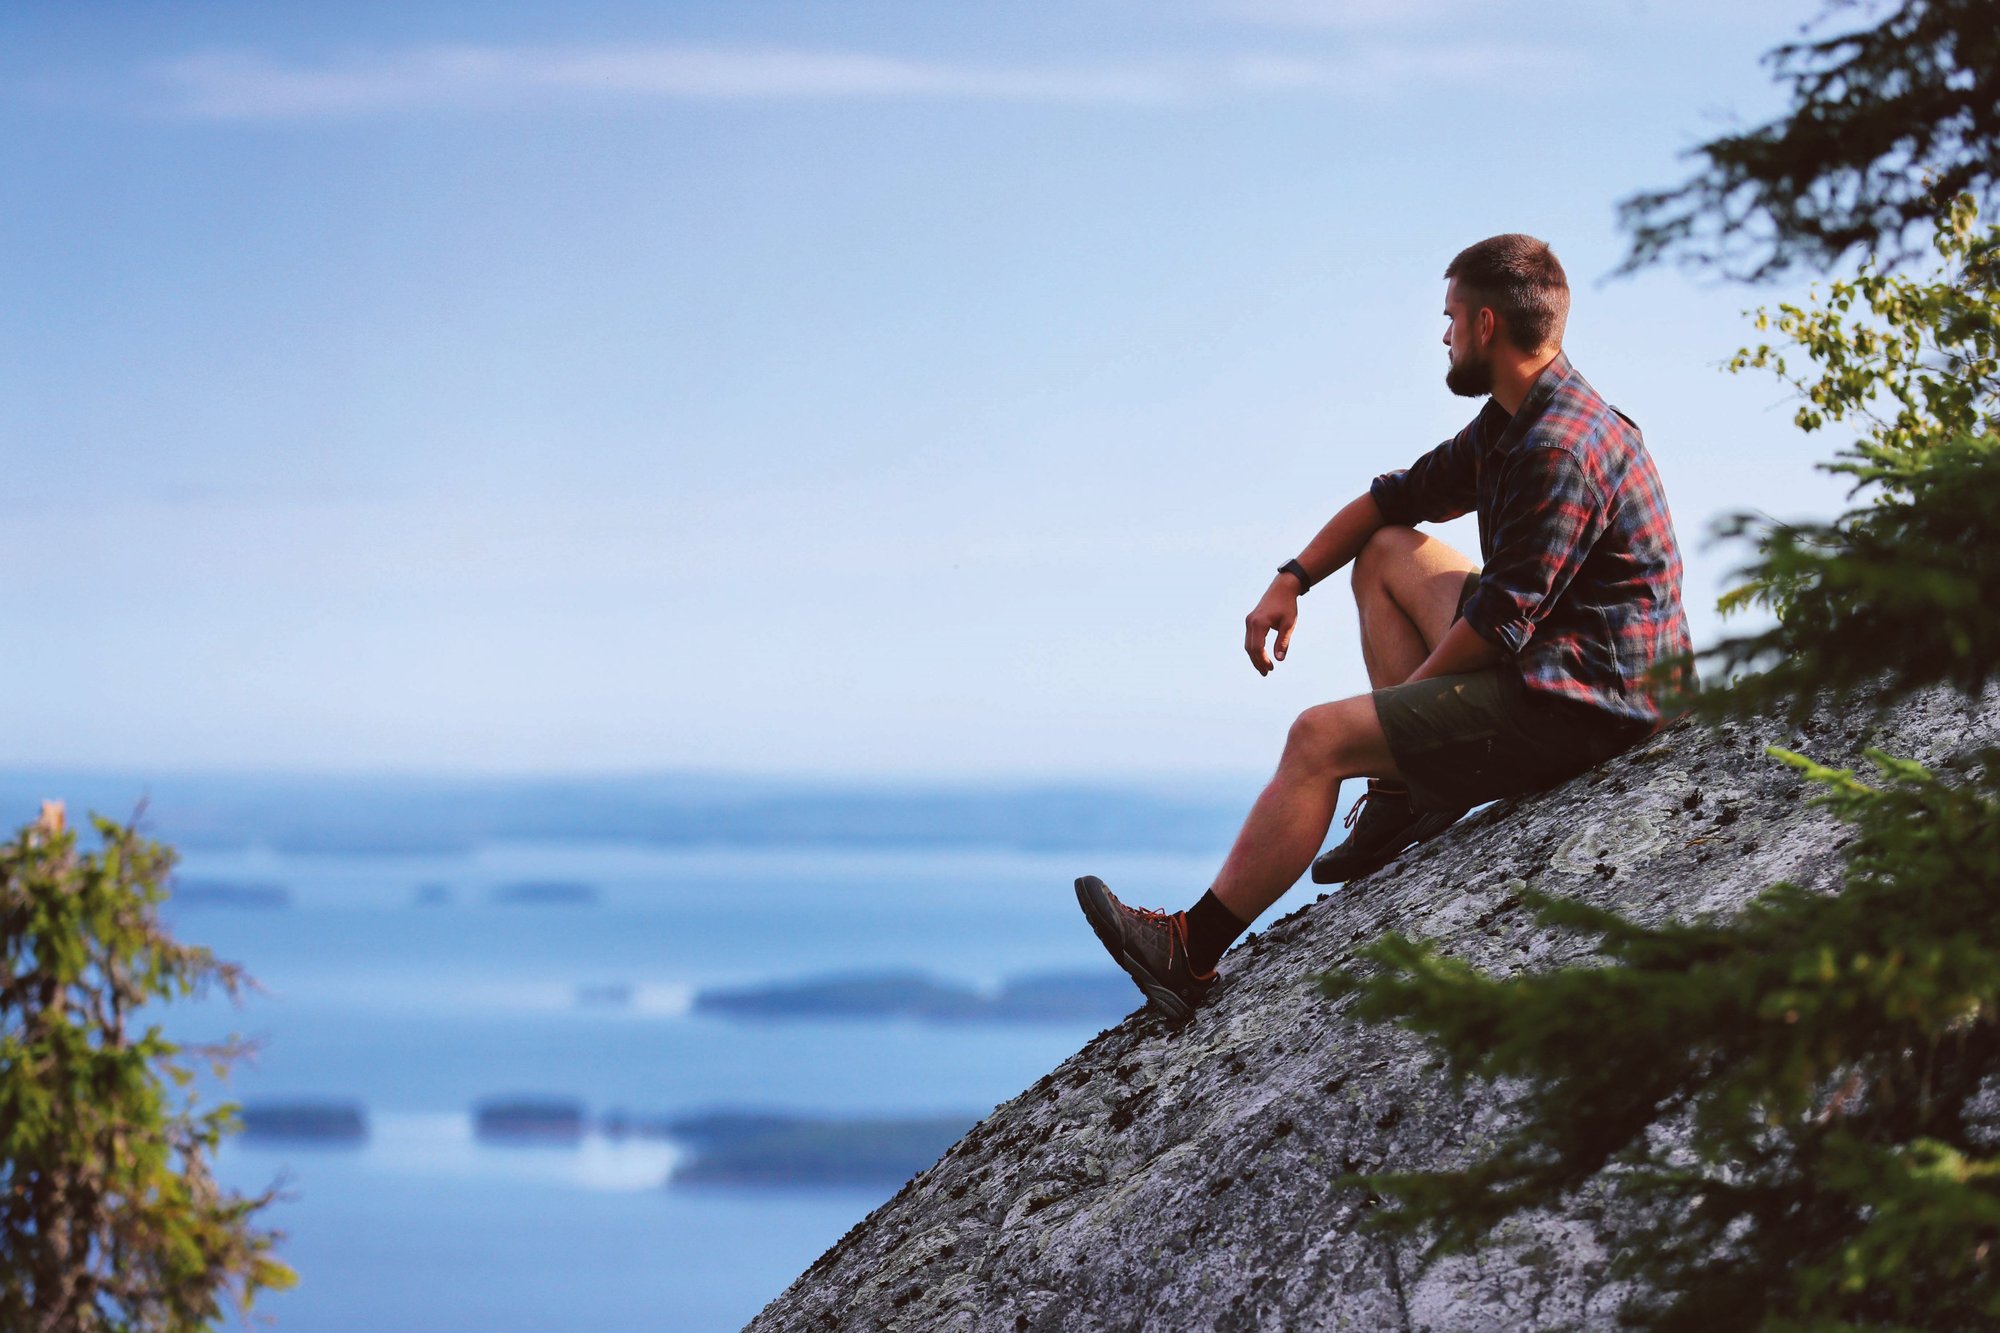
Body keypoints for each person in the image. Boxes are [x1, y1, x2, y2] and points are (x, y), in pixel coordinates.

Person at [1076, 233, 1692, 1022]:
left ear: (1486, 327)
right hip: (1565, 649)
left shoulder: (1558, 447)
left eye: (1449, 318)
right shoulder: (1515, 419)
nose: (1441, 335)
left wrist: (1399, 723)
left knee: (1318, 737)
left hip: (1593, 698)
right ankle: (1407, 798)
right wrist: (1288, 580)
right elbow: (1392, 500)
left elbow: (1500, 625)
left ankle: (1190, 950)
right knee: (1386, 552)